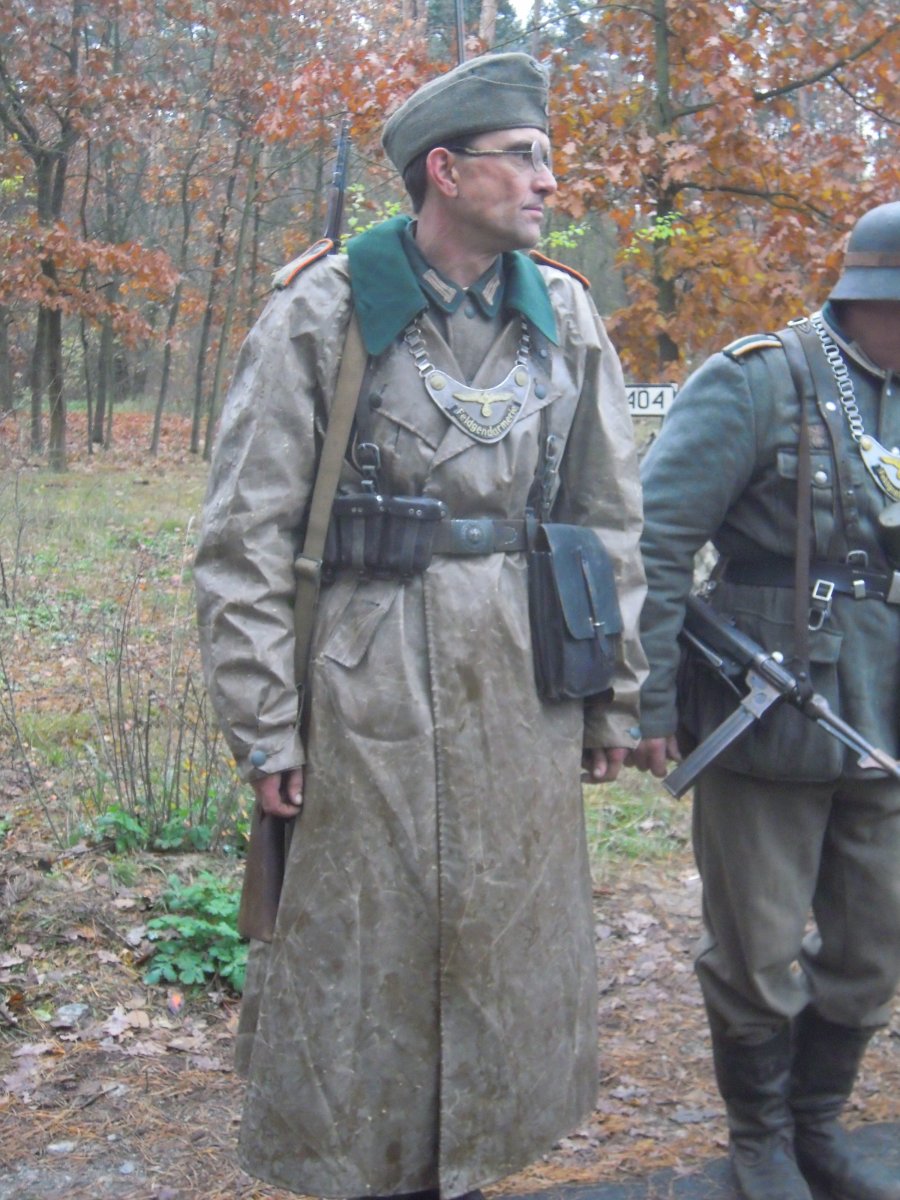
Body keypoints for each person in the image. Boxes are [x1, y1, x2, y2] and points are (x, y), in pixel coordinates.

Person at [195, 52, 647, 1200]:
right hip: (366, 675)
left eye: (547, 156)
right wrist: (265, 722)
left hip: (525, 674)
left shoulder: (565, 315)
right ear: (444, 171)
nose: (548, 179)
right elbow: (244, 534)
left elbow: (605, 517)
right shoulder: (326, 307)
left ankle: (475, 1165)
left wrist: (611, 693)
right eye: (522, 157)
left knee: (505, 935)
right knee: (362, 947)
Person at [631, 200, 900, 1200]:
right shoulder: (757, 380)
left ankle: (819, 1127)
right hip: (769, 710)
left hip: (888, 714)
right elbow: (658, 541)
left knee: (875, 946)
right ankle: (762, 1142)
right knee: (758, 948)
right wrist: (649, 700)